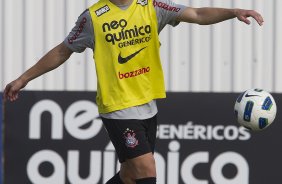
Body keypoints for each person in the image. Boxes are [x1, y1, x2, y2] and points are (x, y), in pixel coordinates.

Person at [3, 0, 263, 183]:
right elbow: (63, 50)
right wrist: (23, 78)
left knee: (129, 176)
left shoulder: (151, 7)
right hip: (117, 107)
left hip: (148, 105)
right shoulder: (93, 17)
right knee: (147, 171)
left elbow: (195, 14)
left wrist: (233, 11)